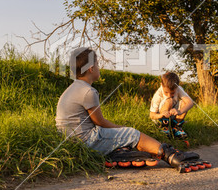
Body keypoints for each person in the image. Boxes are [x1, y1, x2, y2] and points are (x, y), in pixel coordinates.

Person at [55, 47, 187, 170]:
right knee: (132, 134)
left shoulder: (70, 89)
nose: (98, 67)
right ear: (91, 69)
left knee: (119, 135)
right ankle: (168, 153)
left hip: (70, 141)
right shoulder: (88, 91)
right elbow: (100, 122)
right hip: (86, 140)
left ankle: (120, 152)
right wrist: (122, 128)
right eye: (97, 64)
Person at [149, 72, 194, 139]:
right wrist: (161, 115)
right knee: (169, 100)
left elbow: (190, 103)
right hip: (159, 117)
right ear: (162, 85)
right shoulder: (158, 94)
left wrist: (179, 111)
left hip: (172, 114)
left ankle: (176, 127)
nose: (169, 95)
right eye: (166, 92)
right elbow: (152, 115)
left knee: (185, 103)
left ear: (177, 87)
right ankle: (164, 126)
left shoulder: (178, 89)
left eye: (172, 93)